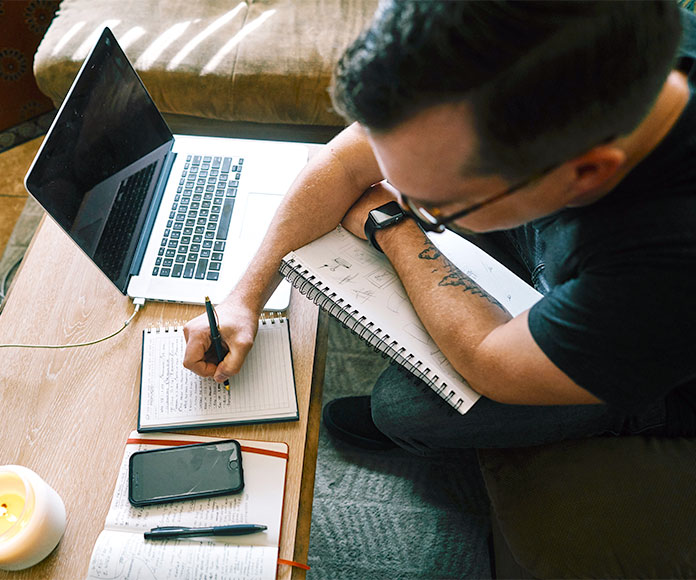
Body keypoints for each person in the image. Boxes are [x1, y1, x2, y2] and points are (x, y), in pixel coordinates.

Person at [183, 1, 696, 454]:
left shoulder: (662, 272)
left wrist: (394, 225)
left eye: (438, 206)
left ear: (585, 172)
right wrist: (243, 299)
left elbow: (489, 360)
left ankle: (638, 413)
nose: (402, 196)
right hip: (584, 251)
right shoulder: (557, 44)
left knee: (403, 412)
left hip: (656, 351)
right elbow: (345, 164)